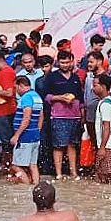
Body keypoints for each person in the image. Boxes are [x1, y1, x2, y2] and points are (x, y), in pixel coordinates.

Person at [44, 50, 83, 181]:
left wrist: (81, 115)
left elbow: (81, 99)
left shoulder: (76, 78)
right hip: (58, 116)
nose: (65, 65)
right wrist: (60, 97)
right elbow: (46, 96)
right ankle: (59, 173)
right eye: (62, 62)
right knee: (58, 145)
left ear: (72, 62)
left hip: (75, 116)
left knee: (72, 144)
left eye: (67, 62)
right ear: (58, 62)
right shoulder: (52, 77)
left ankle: (73, 172)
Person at [10, 76, 43, 185]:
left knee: (15, 166)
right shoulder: (37, 96)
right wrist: (37, 130)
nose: (16, 91)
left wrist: (16, 135)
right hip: (35, 136)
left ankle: (26, 187)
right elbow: (41, 116)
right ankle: (36, 186)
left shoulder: (26, 98)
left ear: (21, 86)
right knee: (32, 164)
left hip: (25, 137)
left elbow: (26, 118)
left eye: (16, 88)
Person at [92, 74, 111, 184]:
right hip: (107, 145)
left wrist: (102, 148)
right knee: (100, 174)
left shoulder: (105, 105)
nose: (92, 88)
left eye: (95, 85)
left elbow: (106, 127)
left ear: (103, 87)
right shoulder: (110, 101)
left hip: (108, 145)